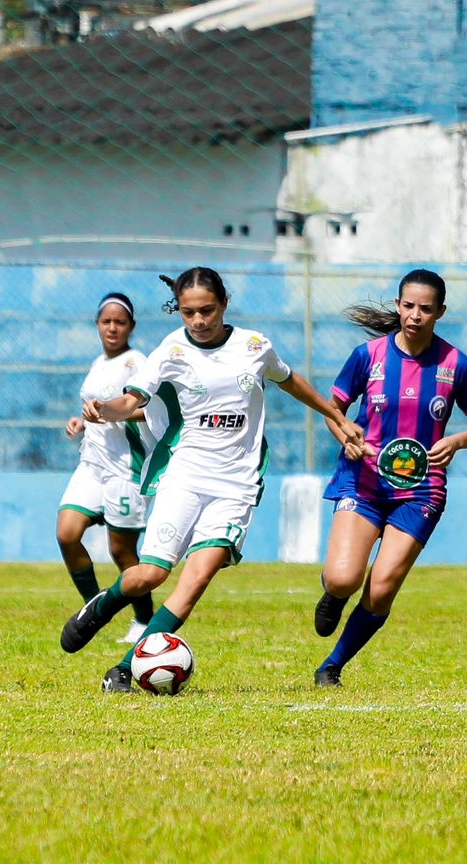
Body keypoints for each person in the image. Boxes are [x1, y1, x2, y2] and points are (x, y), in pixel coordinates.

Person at [59, 267, 364, 691]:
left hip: (237, 484)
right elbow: (133, 399)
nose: (199, 321)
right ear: (178, 311)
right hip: (184, 476)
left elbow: (289, 380)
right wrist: (103, 409)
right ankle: (104, 603)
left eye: (207, 311)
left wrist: (335, 416)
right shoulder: (170, 350)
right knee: (149, 575)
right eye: (188, 313)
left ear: (224, 304)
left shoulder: (254, 346)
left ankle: (125, 669)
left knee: (196, 578)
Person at [312, 268, 467, 687]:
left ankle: (332, 666)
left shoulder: (456, 364)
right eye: (409, 306)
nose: (415, 315)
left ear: (440, 312)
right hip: (363, 483)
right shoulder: (368, 356)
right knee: (345, 577)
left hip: (421, 491)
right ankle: (333, 592)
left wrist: (458, 441)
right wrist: (346, 436)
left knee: (381, 589)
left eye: (426, 309)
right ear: (398, 306)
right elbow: (334, 410)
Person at [57, 292, 154, 645]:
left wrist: (117, 412)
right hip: (92, 463)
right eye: (106, 321)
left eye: (120, 322)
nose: (112, 328)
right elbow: (93, 408)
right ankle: (93, 608)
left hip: (126, 466)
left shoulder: (137, 363)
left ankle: (144, 620)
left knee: (121, 552)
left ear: (131, 326)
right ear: (97, 324)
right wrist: (80, 421)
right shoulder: (98, 363)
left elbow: (151, 408)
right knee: (67, 533)